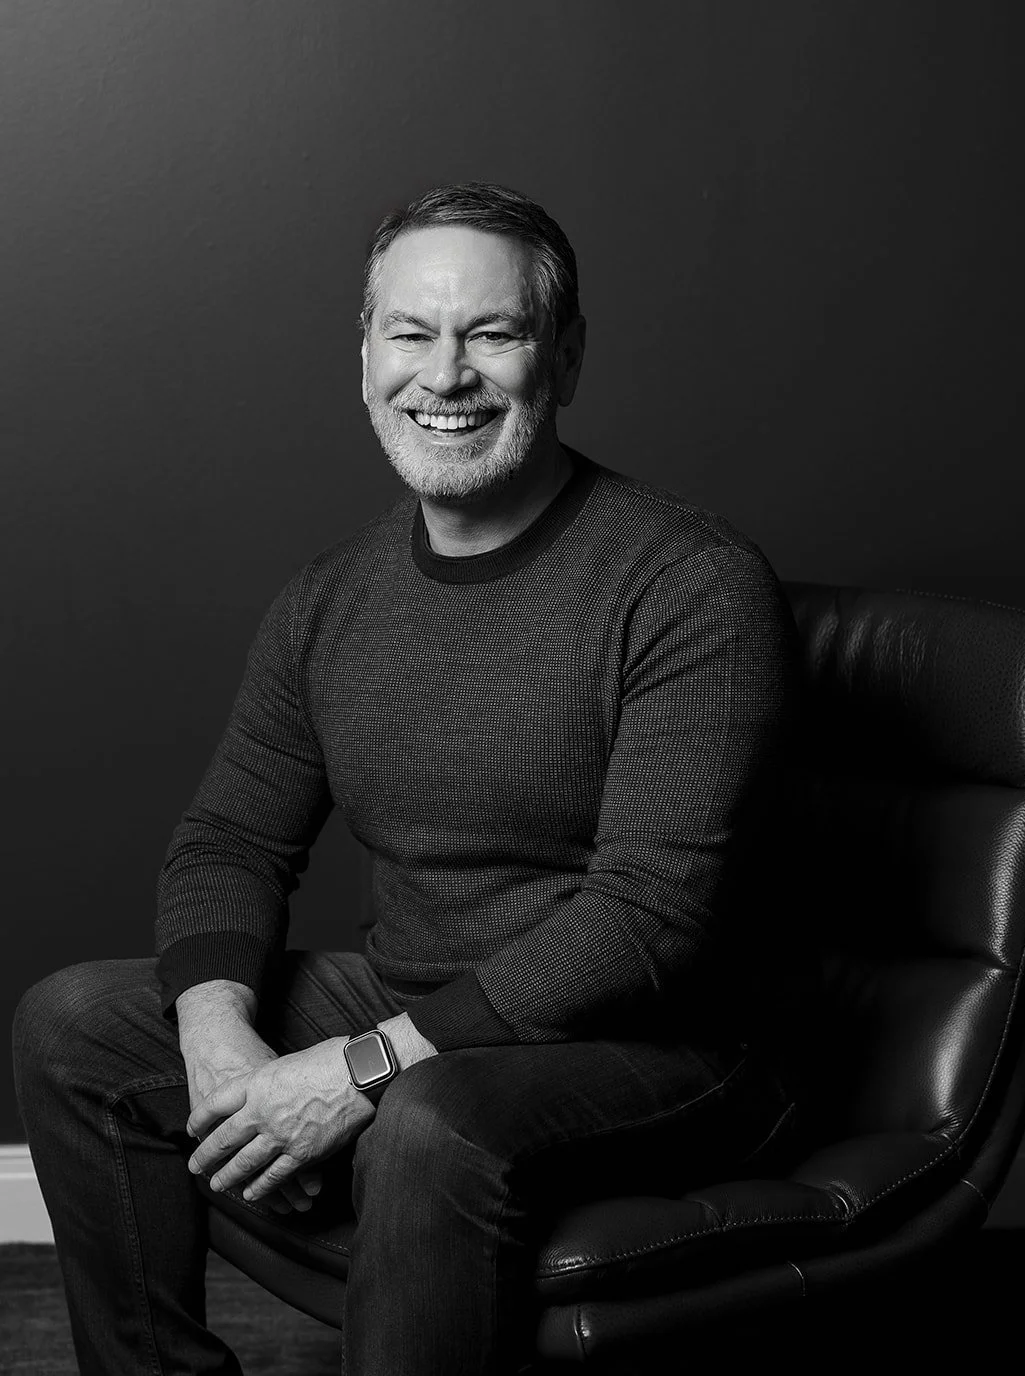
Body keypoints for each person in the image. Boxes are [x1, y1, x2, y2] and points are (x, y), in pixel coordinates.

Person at [13, 182, 803, 1375]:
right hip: (426, 1001)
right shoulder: (329, 600)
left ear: (566, 356)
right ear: (366, 355)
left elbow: (650, 922)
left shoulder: (688, 581)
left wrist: (364, 1066)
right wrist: (220, 1040)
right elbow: (230, 838)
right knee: (76, 1026)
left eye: (493, 332)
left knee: (425, 1125)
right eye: (411, 333)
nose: (446, 375)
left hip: (668, 1047)